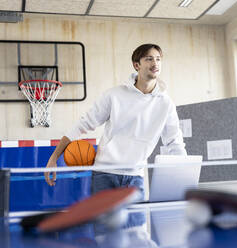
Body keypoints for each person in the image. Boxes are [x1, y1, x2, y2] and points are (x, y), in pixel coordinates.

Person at [44, 44, 187, 199]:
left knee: (136, 224)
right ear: (136, 65)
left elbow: (174, 142)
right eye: (149, 59)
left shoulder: (166, 103)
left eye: (158, 59)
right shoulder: (114, 95)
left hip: (135, 177)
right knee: (105, 224)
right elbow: (83, 124)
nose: (155, 63)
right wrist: (53, 157)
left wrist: (185, 177)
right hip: (105, 175)